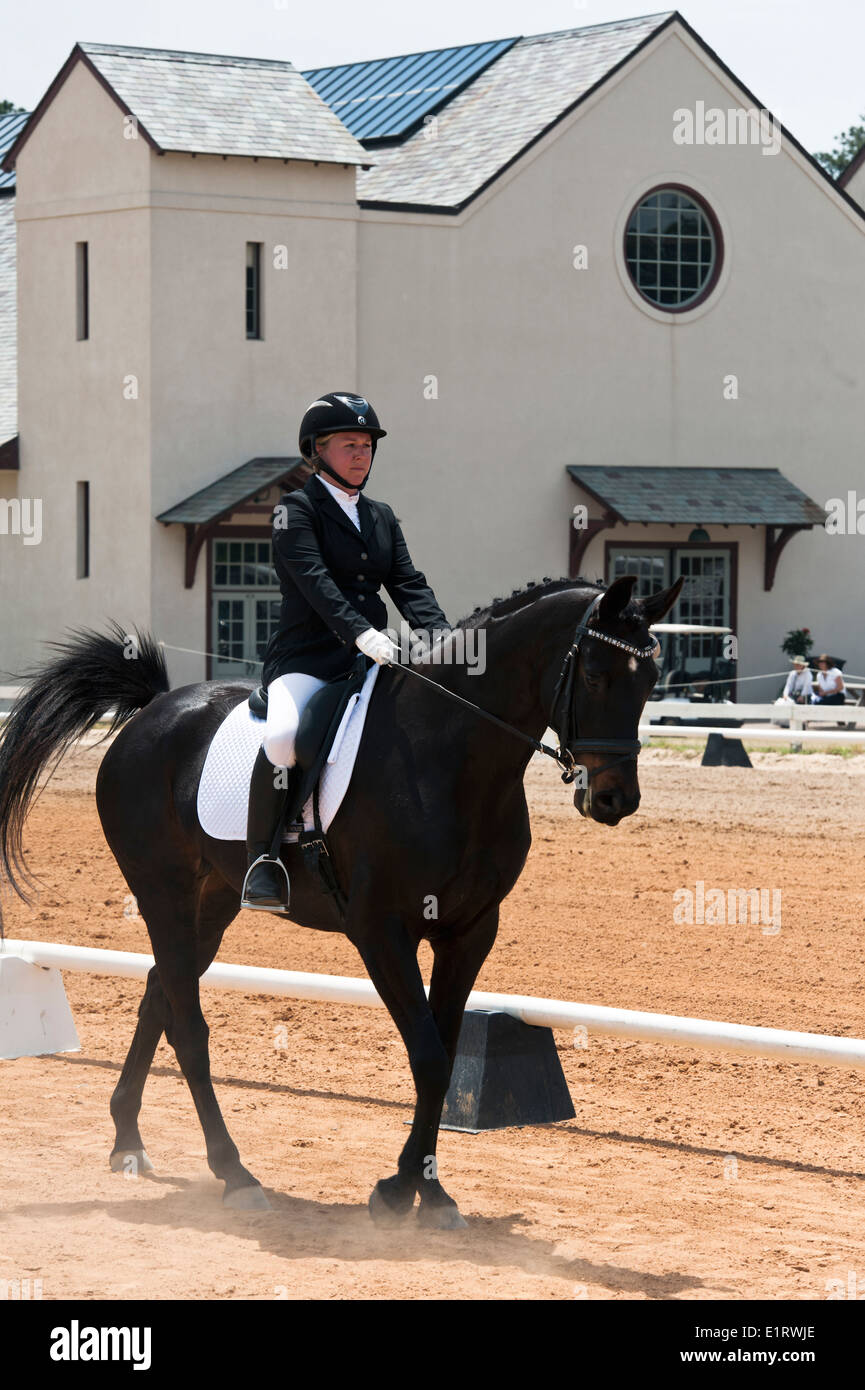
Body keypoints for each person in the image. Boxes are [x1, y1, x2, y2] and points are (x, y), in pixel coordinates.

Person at [241, 391, 451, 913]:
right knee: (287, 737)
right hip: (308, 660)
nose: (361, 454)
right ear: (317, 451)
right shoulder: (294, 510)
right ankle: (262, 861)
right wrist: (361, 632)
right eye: (347, 444)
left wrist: (443, 637)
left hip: (371, 660)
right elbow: (314, 582)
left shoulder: (381, 516)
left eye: (366, 445)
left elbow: (408, 583)